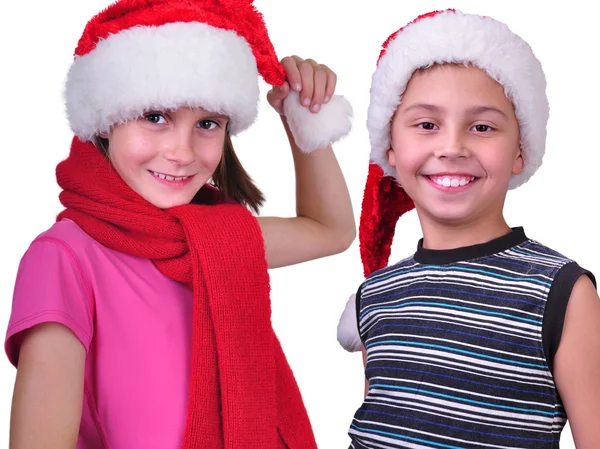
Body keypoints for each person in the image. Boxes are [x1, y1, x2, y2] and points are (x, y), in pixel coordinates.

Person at [4, 0, 355, 448]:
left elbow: (330, 229)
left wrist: (299, 115)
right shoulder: (64, 257)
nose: (183, 152)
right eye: (155, 117)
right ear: (106, 120)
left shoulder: (217, 241)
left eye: (207, 123)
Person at [336, 9, 600, 449]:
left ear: (520, 151)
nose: (452, 147)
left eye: (482, 127)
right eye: (426, 125)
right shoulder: (374, 296)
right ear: (391, 149)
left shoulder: (561, 292)